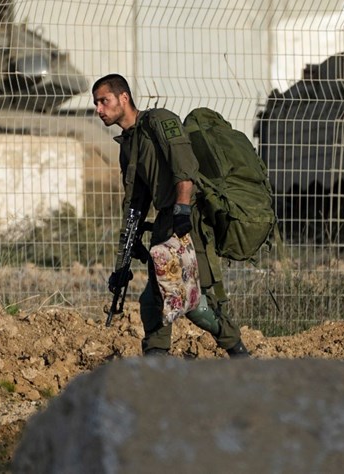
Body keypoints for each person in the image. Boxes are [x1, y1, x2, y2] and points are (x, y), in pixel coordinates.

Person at [92, 73, 250, 358]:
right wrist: (125, 258)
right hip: (165, 223)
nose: (98, 109)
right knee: (154, 300)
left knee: (194, 302)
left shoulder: (158, 122)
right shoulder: (128, 144)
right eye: (96, 103)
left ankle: (239, 352)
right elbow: (135, 203)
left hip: (189, 219)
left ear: (124, 98)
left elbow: (184, 166)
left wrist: (182, 209)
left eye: (104, 101)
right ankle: (156, 362)